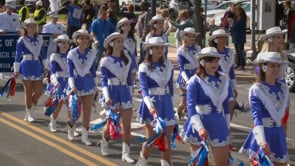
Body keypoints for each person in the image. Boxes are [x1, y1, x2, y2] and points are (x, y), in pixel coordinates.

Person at [182, 47, 234, 166]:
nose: (214, 64)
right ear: (202, 62)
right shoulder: (195, 81)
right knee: (198, 163)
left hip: (218, 122)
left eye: (216, 60)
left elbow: (226, 104)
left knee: (222, 163)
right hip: (199, 122)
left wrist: (227, 125)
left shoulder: (225, 79)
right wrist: (200, 128)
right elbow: (190, 107)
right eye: (210, 61)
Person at [239, 52, 289, 166]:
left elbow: (283, 114)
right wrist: (261, 141)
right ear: (264, 67)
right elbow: (257, 116)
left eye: (278, 66)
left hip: (278, 134)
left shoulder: (283, 88)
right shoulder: (256, 89)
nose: (276, 69)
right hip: (264, 133)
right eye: (272, 66)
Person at [136, 37, 175, 166]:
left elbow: (170, 87)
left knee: (167, 139)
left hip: (166, 103)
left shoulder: (168, 65)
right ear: (150, 49)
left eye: (161, 47)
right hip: (151, 103)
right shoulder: (144, 67)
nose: (160, 50)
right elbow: (144, 89)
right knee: (152, 138)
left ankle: (165, 163)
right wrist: (151, 107)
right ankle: (143, 160)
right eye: (156, 47)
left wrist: (171, 105)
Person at [99, 32, 135, 163]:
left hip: (124, 91)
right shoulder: (105, 61)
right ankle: (104, 140)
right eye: (118, 41)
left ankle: (126, 153)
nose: (121, 43)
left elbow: (130, 80)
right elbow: (103, 81)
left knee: (127, 124)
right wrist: (107, 96)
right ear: (112, 44)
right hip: (112, 91)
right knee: (111, 123)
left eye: (122, 41)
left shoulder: (128, 59)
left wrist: (130, 94)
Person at [13, 18, 49, 123]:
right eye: (30, 26)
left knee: (39, 91)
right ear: (26, 27)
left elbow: (43, 54)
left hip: (37, 65)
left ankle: (31, 106)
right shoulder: (22, 40)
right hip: (26, 66)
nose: (33, 28)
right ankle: (29, 112)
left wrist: (46, 66)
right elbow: (18, 55)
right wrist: (16, 69)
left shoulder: (40, 39)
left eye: (34, 26)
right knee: (28, 91)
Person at [67, 29, 98, 145]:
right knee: (75, 111)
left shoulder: (92, 54)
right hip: (76, 83)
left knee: (87, 111)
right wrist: (72, 87)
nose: (84, 40)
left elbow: (93, 71)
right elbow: (70, 72)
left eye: (86, 38)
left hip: (88, 83)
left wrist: (95, 87)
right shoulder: (72, 54)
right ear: (77, 40)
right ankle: (71, 128)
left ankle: (85, 137)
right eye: (82, 38)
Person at [259, 26, 289, 132]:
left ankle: (281, 146)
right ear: (270, 39)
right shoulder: (262, 56)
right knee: (266, 122)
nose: (281, 40)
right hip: (266, 90)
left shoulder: (283, 55)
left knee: (283, 122)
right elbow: (260, 76)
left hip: (281, 89)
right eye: (278, 37)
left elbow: (282, 75)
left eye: (281, 37)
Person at [44, 34, 71, 132]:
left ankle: (70, 126)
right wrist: (55, 81)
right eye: (63, 43)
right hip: (59, 82)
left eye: (67, 43)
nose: (65, 45)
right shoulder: (54, 56)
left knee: (71, 105)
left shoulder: (71, 55)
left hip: (69, 82)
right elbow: (52, 71)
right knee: (58, 104)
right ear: (59, 44)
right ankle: (53, 121)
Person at [209, 28, 237, 121]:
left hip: (227, 82)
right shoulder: (212, 53)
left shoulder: (230, 52)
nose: (224, 40)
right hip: (215, 82)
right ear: (215, 40)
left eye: (225, 38)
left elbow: (232, 71)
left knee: (231, 103)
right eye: (221, 38)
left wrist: (234, 86)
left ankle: (227, 125)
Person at [175, 27, 201, 120]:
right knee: (183, 102)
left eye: (193, 36)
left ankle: (192, 118)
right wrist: (186, 80)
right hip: (185, 77)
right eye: (189, 36)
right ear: (185, 37)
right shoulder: (181, 50)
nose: (191, 38)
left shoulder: (198, 48)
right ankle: (177, 115)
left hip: (196, 75)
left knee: (196, 100)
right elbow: (181, 67)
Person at [117, 17, 138, 89]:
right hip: (122, 61)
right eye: (126, 25)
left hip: (132, 61)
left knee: (131, 85)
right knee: (122, 83)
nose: (129, 26)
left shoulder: (132, 38)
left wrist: (135, 61)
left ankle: (130, 98)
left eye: (129, 24)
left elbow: (134, 52)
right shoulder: (118, 37)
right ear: (122, 27)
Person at [230, 6, 247, 71]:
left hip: (240, 37)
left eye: (237, 11)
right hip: (236, 37)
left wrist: (232, 26)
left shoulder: (242, 19)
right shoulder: (236, 19)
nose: (236, 13)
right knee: (237, 51)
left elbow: (236, 26)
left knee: (240, 52)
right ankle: (238, 64)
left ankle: (242, 65)